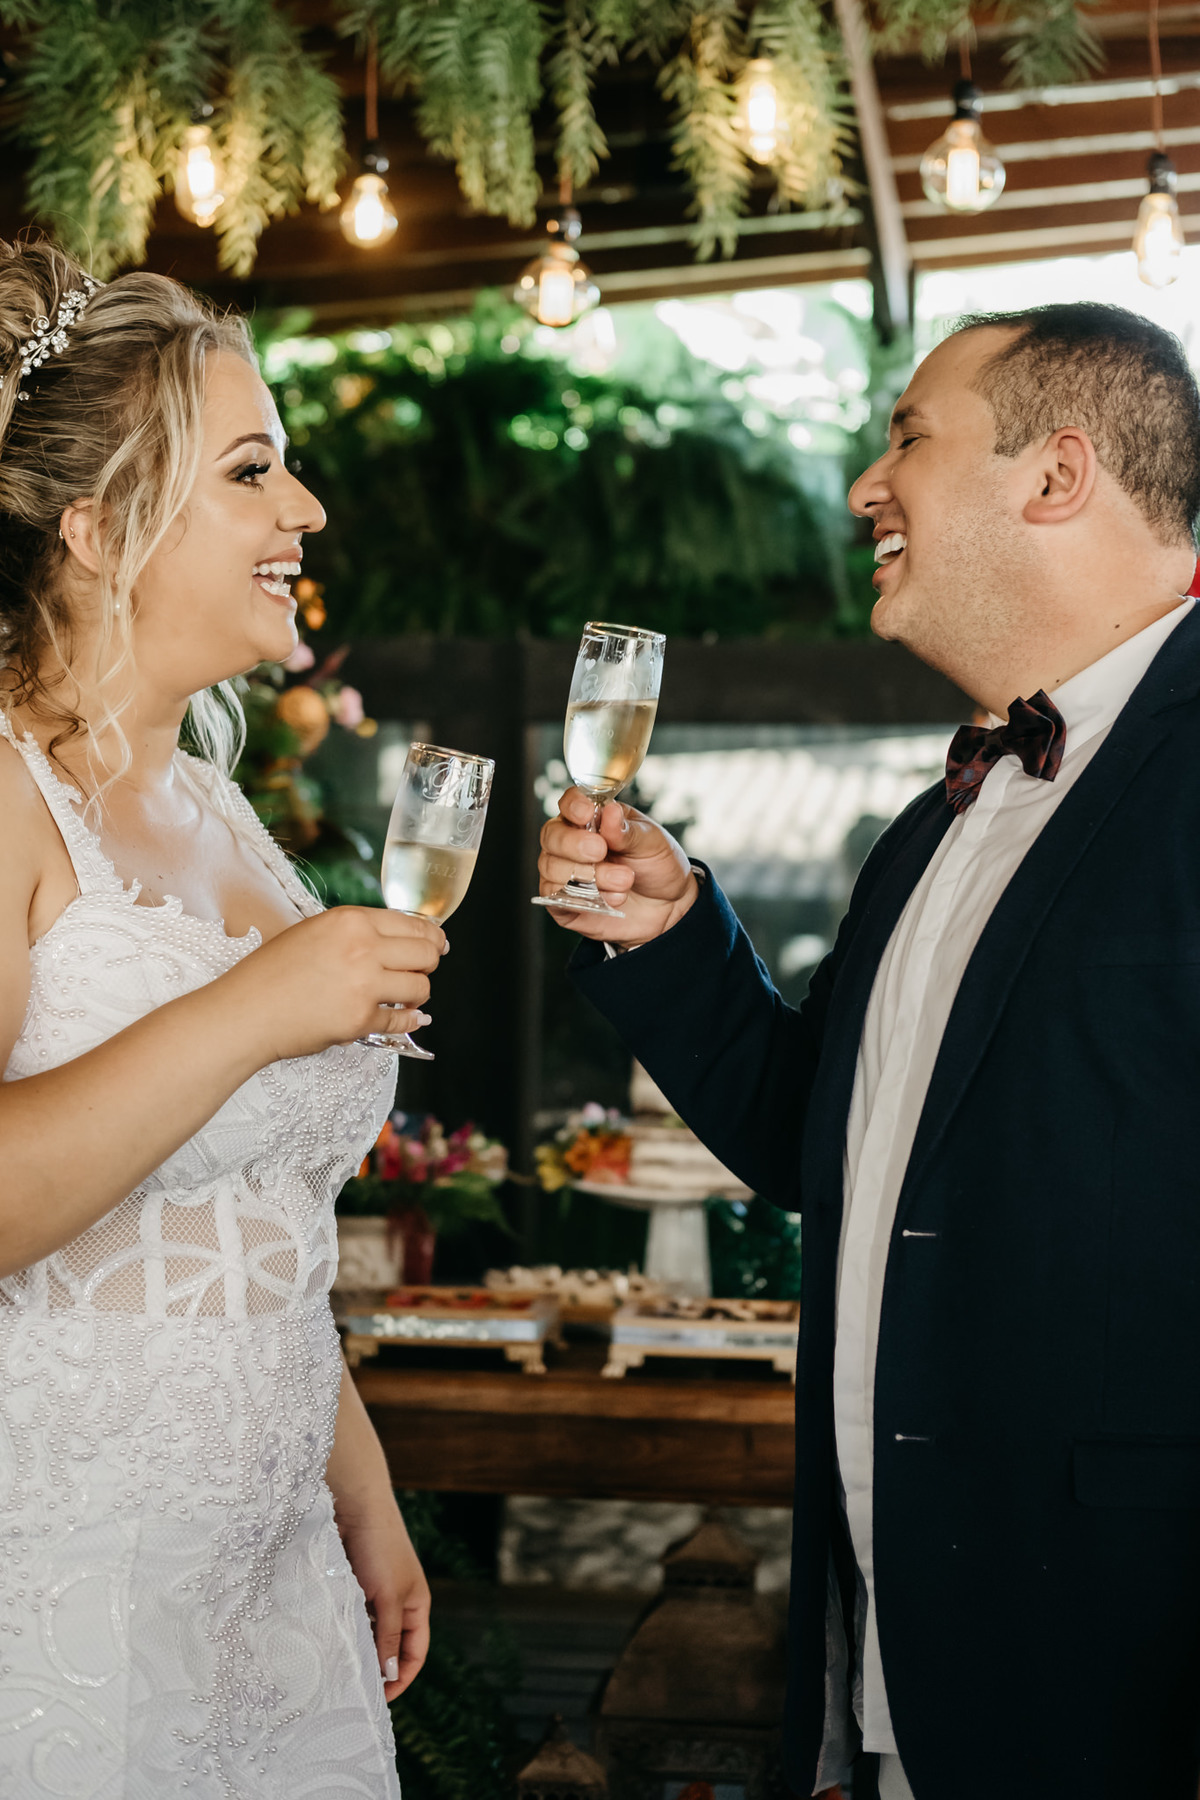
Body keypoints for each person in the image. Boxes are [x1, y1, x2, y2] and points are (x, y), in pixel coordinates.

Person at [539, 303, 1200, 1800]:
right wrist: (665, 932)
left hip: (1121, 1689)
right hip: (890, 1680)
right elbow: (813, 1138)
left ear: (1057, 474)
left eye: (910, 436)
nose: (864, 485)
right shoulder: (938, 825)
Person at [0, 238, 445, 1796]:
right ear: (101, 527)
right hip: (67, 1587)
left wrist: (361, 1490)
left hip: (273, 1596)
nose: (304, 512)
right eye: (253, 472)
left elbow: (251, 1225)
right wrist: (261, 1008)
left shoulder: (218, 808)